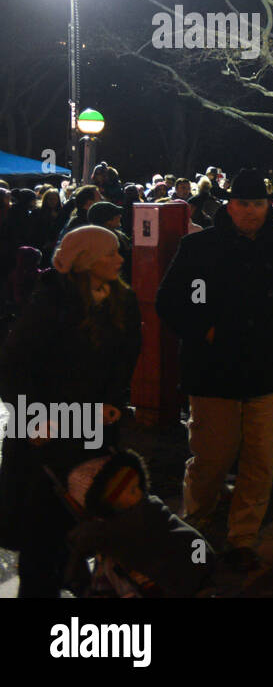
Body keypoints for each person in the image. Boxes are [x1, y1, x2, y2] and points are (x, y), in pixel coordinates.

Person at [154, 168, 273, 572]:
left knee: (260, 460)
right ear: (230, 204)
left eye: (258, 203)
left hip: (269, 370)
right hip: (214, 372)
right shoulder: (200, 247)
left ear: (268, 205)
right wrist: (204, 330)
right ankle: (196, 526)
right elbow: (170, 300)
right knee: (211, 457)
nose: (252, 211)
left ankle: (242, 537)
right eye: (244, 203)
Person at [0, 226, 141, 597]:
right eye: (110, 254)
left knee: (87, 511)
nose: (120, 260)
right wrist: (35, 420)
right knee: (43, 523)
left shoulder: (122, 299)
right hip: (46, 428)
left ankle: (78, 577)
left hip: (94, 424)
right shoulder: (50, 301)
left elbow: (126, 356)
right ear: (86, 261)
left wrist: (112, 398)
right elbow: (15, 366)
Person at [63, 449, 214, 597]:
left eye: (135, 488)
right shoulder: (149, 513)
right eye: (131, 490)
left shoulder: (118, 533)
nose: (138, 493)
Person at [87, 200, 133, 285]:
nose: (120, 216)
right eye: (117, 215)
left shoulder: (116, 234)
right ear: (108, 220)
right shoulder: (107, 238)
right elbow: (124, 257)